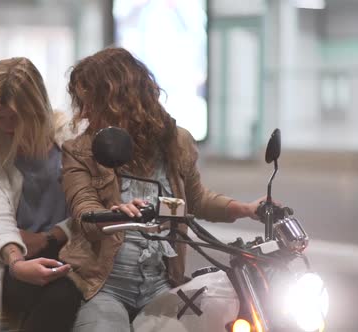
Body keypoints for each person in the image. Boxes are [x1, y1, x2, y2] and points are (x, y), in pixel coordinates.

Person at [59, 47, 264, 331]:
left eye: (91, 103)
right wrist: (111, 214)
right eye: (81, 104)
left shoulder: (176, 143)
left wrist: (246, 209)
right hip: (104, 286)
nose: (85, 113)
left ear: (119, 100)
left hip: (161, 284)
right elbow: (83, 208)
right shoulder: (80, 150)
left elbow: (196, 199)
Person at [0, 57, 82, 332]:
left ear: (35, 108)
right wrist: (17, 262)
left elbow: (91, 203)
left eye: (15, 117)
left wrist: (51, 237)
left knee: (68, 294)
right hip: (15, 254)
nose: (7, 126)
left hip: (72, 247)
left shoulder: (70, 139)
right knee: (60, 296)